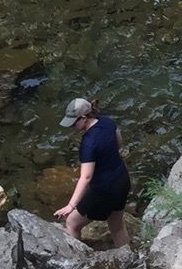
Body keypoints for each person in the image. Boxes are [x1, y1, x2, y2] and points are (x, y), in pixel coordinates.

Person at [55, 97, 131, 249]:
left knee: (72, 223)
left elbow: (86, 177)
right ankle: (132, 259)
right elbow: (119, 142)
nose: (72, 127)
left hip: (104, 190)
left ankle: (79, 261)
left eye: (74, 122)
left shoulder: (88, 143)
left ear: (83, 118)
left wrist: (71, 205)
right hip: (122, 181)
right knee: (117, 227)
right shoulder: (108, 122)